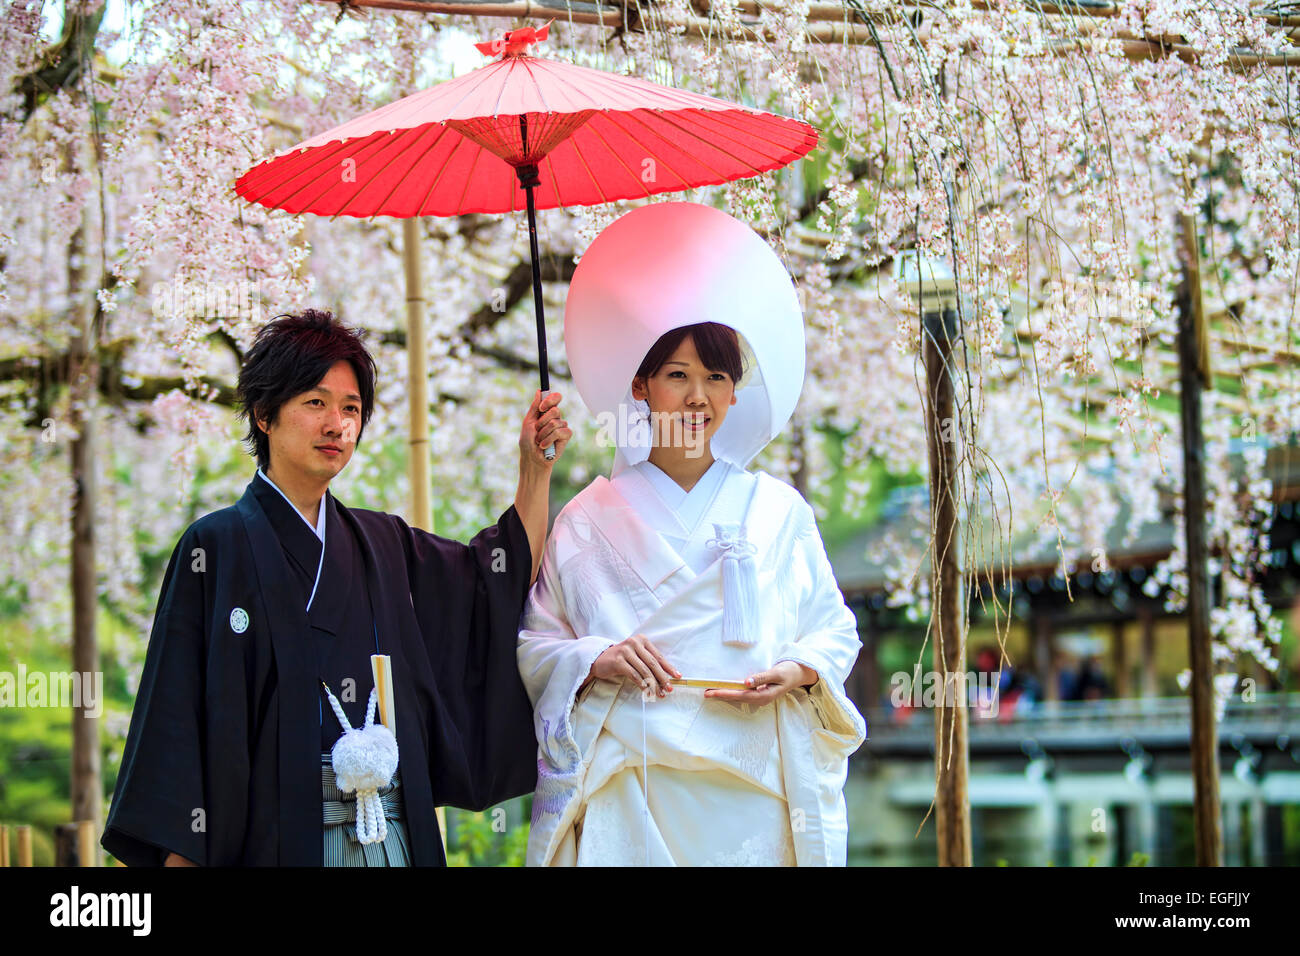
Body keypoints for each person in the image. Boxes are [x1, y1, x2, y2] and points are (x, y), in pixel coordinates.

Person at [102, 309, 572, 866]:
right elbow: (176, 722)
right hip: (272, 846)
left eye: (352, 409)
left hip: (391, 839)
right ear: (263, 415)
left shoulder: (383, 542)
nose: (337, 424)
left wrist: (534, 469)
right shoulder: (215, 548)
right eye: (316, 403)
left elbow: (493, 580)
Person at [517, 202, 866, 866]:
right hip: (633, 774)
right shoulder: (587, 519)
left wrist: (799, 669)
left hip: (753, 782)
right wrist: (595, 657)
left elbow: (833, 628)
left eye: (716, 377)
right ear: (641, 387)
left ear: (735, 394)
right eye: (677, 375)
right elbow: (537, 643)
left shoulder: (777, 511)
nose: (697, 396)